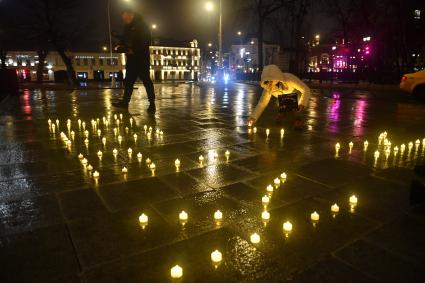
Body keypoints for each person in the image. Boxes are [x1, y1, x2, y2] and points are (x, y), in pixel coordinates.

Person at [112, 9, 156, 114]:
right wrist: (119, 44)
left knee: (146, 81)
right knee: (128, 82)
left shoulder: (142, 26)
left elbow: (146, 41)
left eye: (126, 17)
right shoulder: (127, 27)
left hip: (141, 59)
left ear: (131, 15)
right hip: (131, 59)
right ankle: (125, 102)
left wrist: (134, 50)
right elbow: (125, 40)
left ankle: (152, 104)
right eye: (123, 18)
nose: (124, 20)